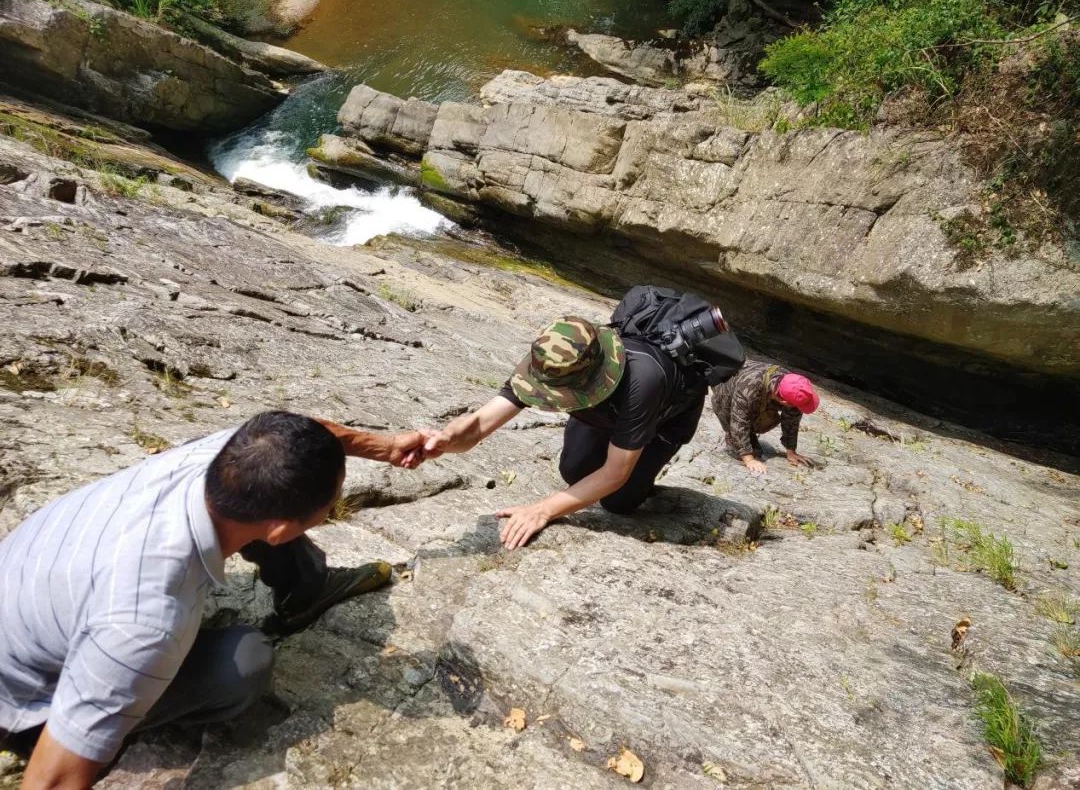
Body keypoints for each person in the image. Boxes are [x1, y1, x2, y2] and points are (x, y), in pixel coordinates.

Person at [0, 411, 422, 788]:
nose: (333, 506)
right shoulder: (145, 623)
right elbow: (51, 780)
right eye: (329, 505)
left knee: (268, 495)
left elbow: (305, 435)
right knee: (243, 664)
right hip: (22, 701)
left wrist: (385, 447)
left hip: (35, 594)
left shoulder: (226, 455)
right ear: (278, 532)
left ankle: (303, 592)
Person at [415, 316, 709, 550]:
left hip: (665, 416)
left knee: (617, 501)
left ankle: (641, 458)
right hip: (605, 409)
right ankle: (617, 440)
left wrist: (544, 510)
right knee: (574, 473)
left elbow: (615, 473)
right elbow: (480, 423)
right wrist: (446, 439)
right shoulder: (549, 358)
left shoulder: (644, 380)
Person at [710, 361, 819, 476]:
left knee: (755, 445)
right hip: (726, 399)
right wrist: (749, 459)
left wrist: (791, 451)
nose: (798, 409)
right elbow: (739, 421)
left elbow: (792, 419)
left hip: (757, 396)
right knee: (751, 452)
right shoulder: (748, 387)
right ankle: (731, 436)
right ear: (783, 401)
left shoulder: (792, 384)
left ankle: (748, 436)